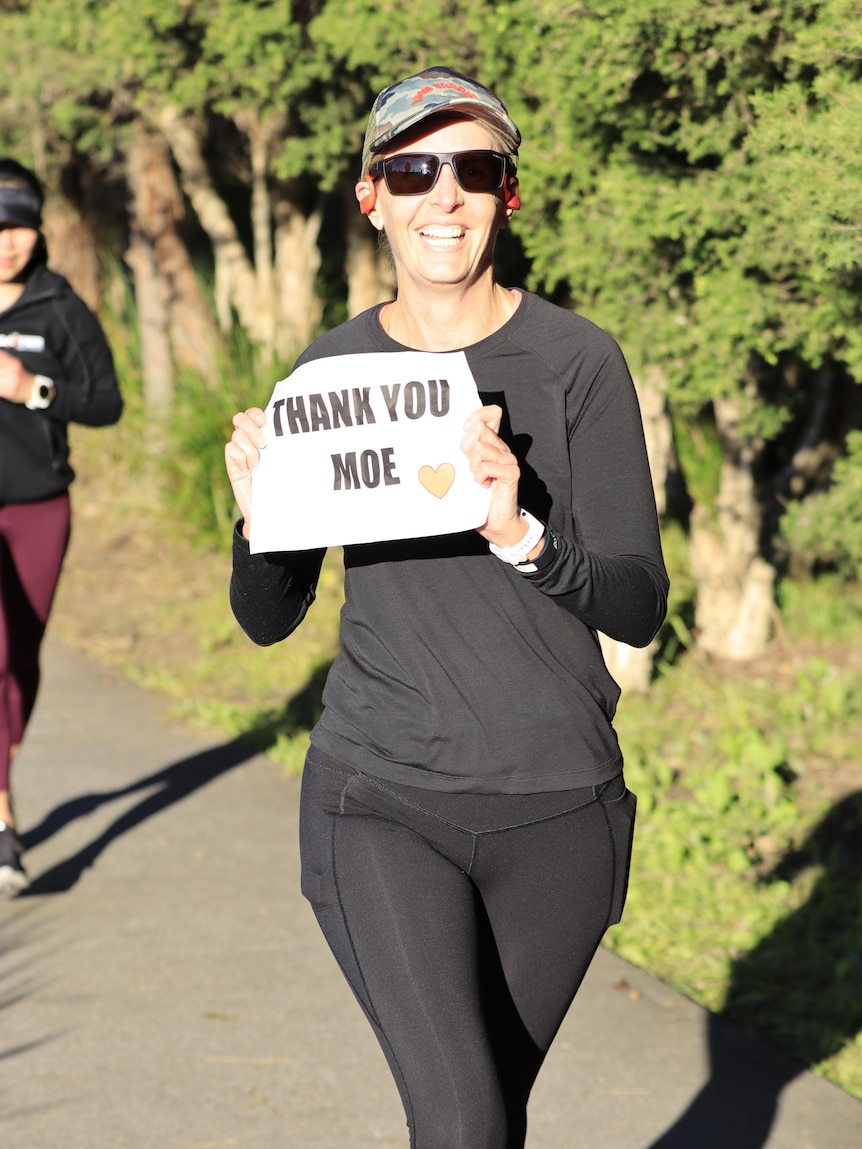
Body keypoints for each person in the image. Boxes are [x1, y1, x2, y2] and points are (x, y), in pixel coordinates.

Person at [225, 66, 668, 1149]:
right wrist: (256, 517)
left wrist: (521, 534)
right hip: (382, 796)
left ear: (506, 194)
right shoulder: (327, 373)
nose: (445, 196)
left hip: (559, 808)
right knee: (462, 1119)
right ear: (372, 195)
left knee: (488, 1123)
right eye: (414, 170)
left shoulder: (575, 362)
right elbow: (266, 617)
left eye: (473, 169)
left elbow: (639, 603)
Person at [0, 158, 122, 893]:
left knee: (24, 659)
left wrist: (30, 387)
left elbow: (105, 402)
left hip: (41, 502)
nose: (6, 241)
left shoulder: (57, 305)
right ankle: (3, 816)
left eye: (18, 225)